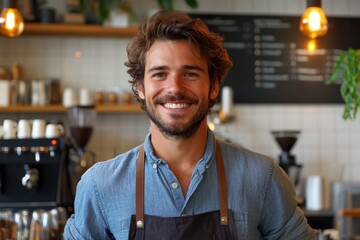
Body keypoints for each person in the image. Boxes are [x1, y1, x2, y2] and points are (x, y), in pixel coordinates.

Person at [64, 10, 316, 239]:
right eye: (159, 74)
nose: (175, 88)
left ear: (214, 86)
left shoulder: (261, 178)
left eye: (190, 73)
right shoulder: (100, 186)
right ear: (140, 87)